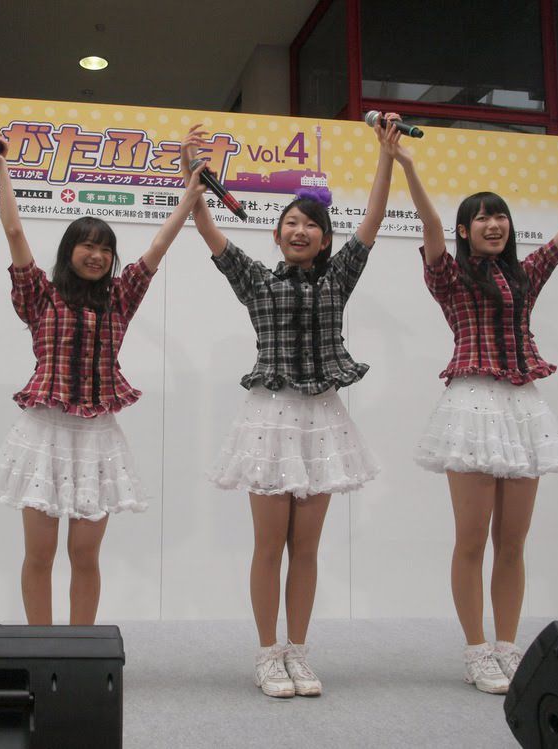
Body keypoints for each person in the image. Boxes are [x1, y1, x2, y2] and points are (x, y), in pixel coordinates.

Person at [387, 128, 558, 693]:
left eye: (499, 215)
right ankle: (476, 650)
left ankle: (507, 646)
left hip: (523, 408)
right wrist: (406, 164)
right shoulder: (449, 275)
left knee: (513, 541)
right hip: (472, 405)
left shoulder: (525, 275)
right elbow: (430, 224)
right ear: (465, 230)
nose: (493, 224)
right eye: (481, 217)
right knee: (471, 540)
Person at [179, 118, 401, 697]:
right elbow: (206, 227)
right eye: (291, 224)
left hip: (322, 420)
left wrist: (385, 155)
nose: (301, 231)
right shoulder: (257, 282)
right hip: (270, 419)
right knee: (268, 545)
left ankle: (298, 652)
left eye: (311, 225)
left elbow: (374, 219)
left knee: (306, 547)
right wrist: (189, 171)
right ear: (277, 236)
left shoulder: (339, 280)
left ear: (325, 240)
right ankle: (266, 653)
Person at [0, 137, 207, 625]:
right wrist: (1, 169)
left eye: (105, 248)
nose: (97, 255)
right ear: (69, 250)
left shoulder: (120, 297)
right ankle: (41, 648)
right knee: (39, 556)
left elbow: (158, 246)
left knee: (85, 555)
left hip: (97, 437)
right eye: (87, 245)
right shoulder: (39, 295)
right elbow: (14, 230)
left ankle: (80, 650)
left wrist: (190, 191)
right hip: (44, 433)